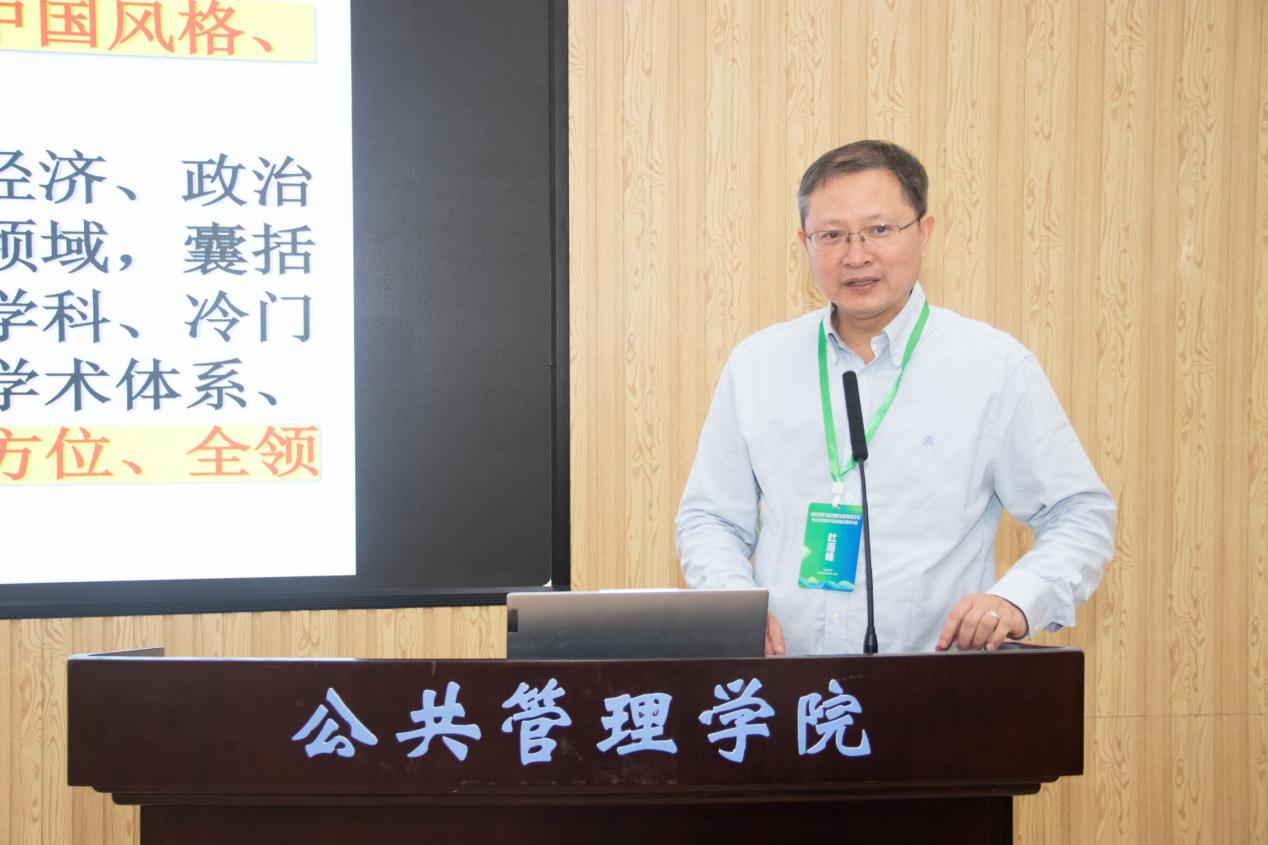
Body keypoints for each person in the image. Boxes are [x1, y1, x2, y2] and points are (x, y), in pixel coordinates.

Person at [675, 140, 1116, 656]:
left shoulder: (993, 368)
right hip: (785, 681)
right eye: (831, 235)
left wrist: (1017, 600)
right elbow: (709, 520)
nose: (856, 255)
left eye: (879, 229)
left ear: (924, 233)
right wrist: (735, 606)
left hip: (933, 681)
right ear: (804, 244)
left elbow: (1079, 514)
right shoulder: (757, 364)